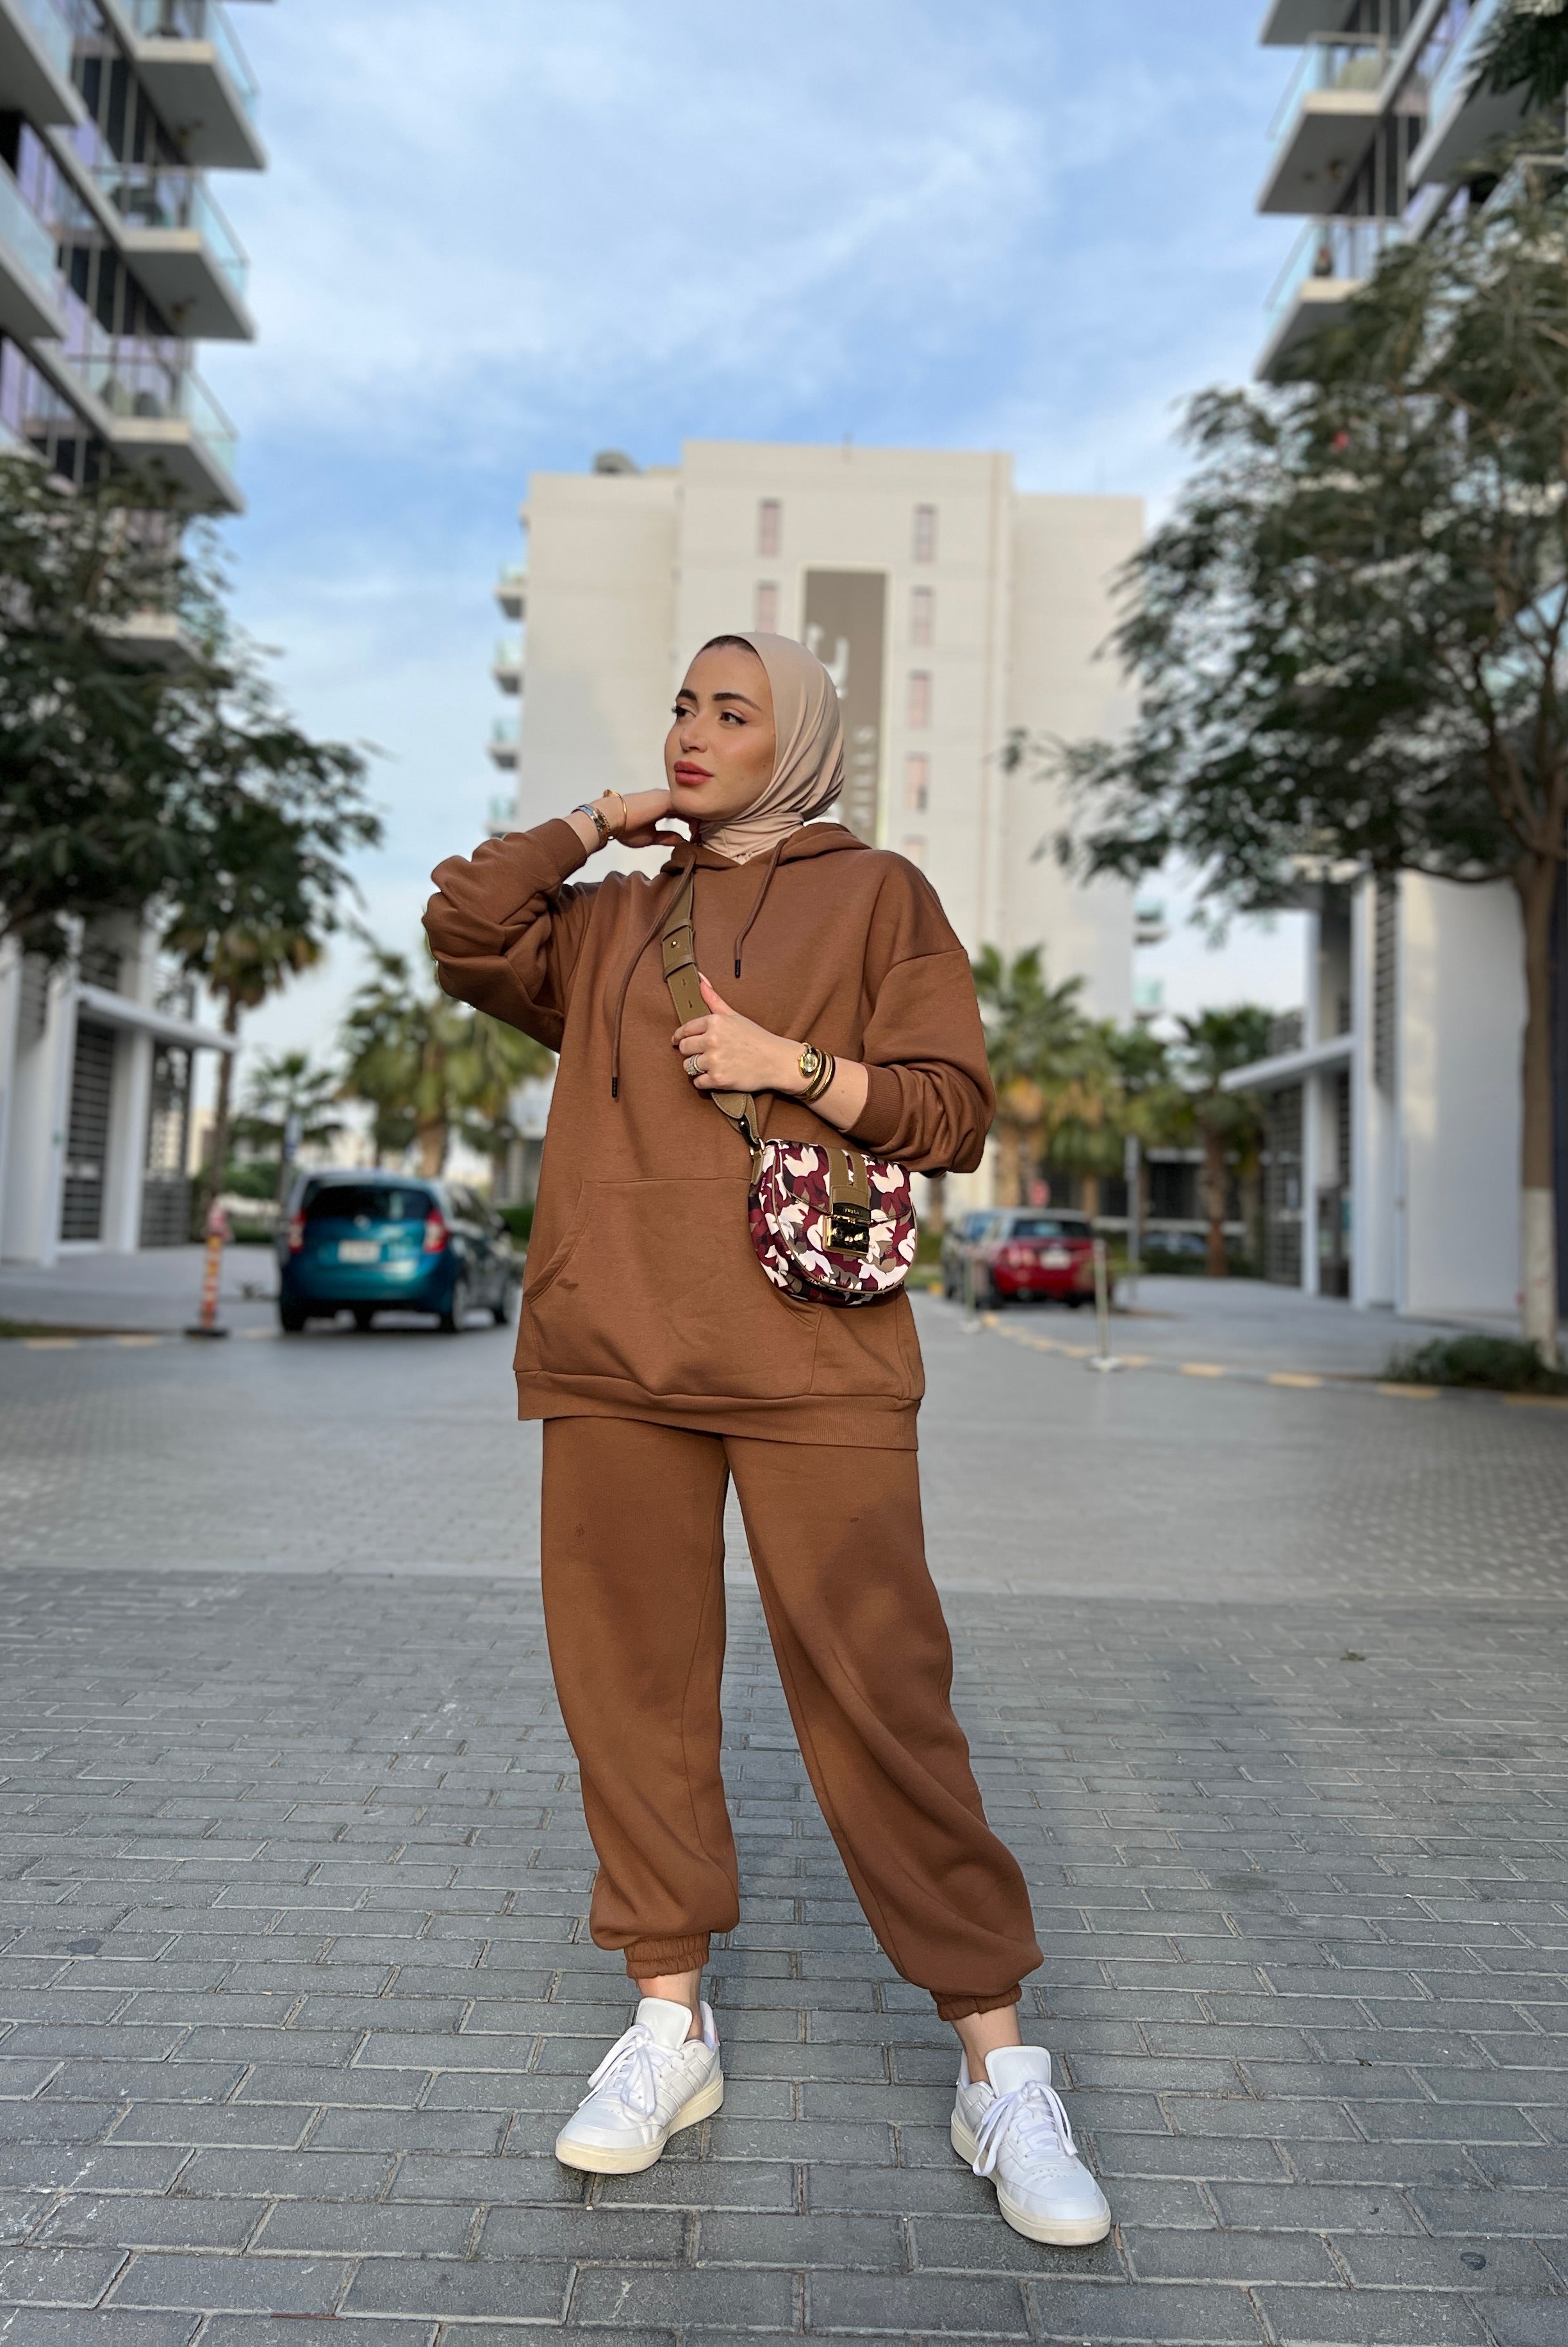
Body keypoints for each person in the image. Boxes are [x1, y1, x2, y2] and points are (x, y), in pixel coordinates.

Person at [423, 629, 1109, 2248]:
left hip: (816, 1352)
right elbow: (463, 926)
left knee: (884, 1689)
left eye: (734, 712)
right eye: (680, 706)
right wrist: (594, 820)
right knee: (630, 1691)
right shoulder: (605, 923)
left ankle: (997, 2064)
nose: (694, 732)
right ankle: (671, 2026)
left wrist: (787, 1065)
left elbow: (951, 1109)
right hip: (613, 1356)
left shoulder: (880, 898)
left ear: (794, 738)